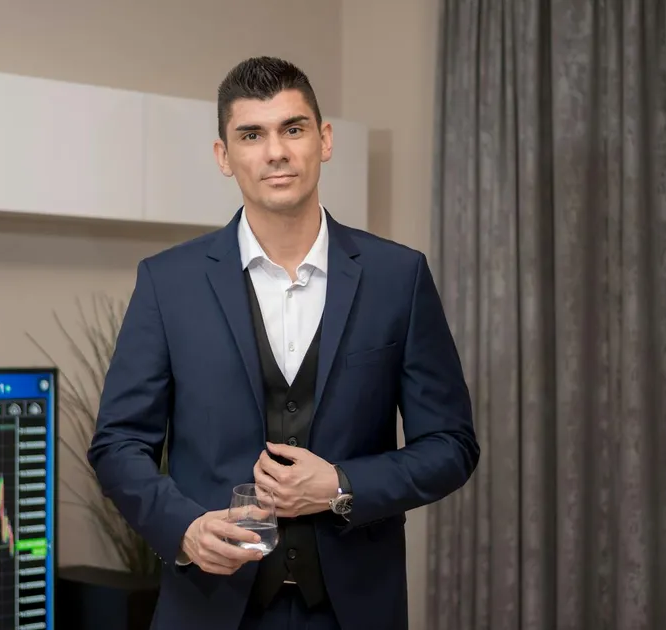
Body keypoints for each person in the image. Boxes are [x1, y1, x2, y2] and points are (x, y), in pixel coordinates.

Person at [87, 56, 479, 630]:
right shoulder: (167, 282)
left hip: (354, 611)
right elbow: (118, 444)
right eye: (252, 134)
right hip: (209, 608)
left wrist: (343, 486)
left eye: (292, 129)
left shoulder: (400, 278)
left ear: (323, 140)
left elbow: (451, 445)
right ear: (224, 156)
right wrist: (185, 529)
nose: (275, 151)